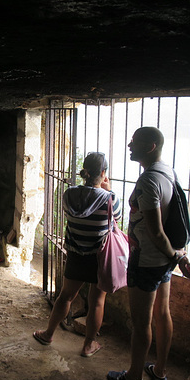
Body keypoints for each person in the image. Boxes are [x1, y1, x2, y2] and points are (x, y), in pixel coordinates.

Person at [107, 127, 190, 380]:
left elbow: (155, 231)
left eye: (135, 142)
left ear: (151, 146)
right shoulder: (168, 172)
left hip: (147, 260)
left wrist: (175, 258)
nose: (129, 145)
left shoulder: (147, 182)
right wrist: (175, 256)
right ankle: (160, 370)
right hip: (163, 260)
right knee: (162, 313)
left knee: (141, 322)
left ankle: (134, 377)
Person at [33, 152, 122, 357]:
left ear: (85, 172)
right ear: (103, 173)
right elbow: (116, 219)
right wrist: (108, 191)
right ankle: (88, 345)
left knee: (66, 296)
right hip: (99, 257)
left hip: (75, 254)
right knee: (97, 301)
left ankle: (48, 334)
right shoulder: (110, 199)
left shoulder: (69, 195)